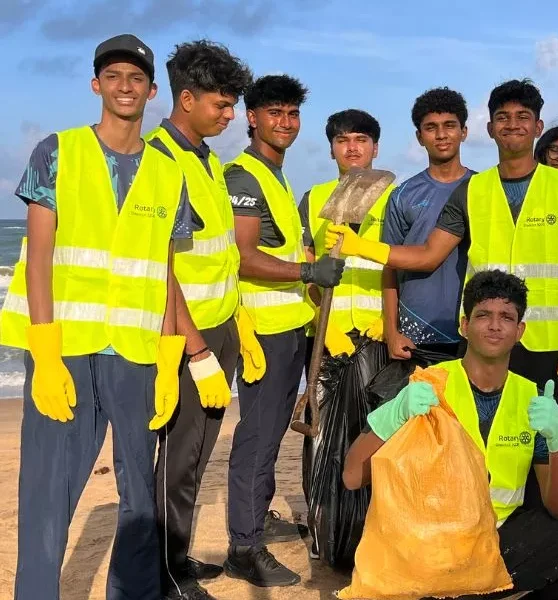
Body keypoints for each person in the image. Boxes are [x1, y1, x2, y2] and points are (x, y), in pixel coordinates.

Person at [0, 34, 196, 599]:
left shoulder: (167, 172)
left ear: (152, 91)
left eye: (136, 78)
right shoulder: (56, 152)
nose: (125, 86)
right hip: (67, 348)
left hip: (135, 355)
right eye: (113, 76)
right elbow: (39, 256)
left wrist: (168, 357)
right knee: (46, 491)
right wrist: (43, 349)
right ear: (96, 86)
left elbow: (163, 272)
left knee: (140, 497)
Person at [326, 79, 558, 407]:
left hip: (546, 344)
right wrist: (361, 247)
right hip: (484, 339)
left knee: (541, 438)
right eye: (503, 117)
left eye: (522, 116)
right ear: (489, 129)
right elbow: (429, 255)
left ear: (538, 126)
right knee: (480, 439)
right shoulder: (471, 190)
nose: (512, 124)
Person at [342, 269, 558, 600]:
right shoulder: (428, 386)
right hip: (427, 550)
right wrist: (394, 414)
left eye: (506, 317)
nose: (495, 325)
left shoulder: (532, 399)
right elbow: (353, 476)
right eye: (483, 315)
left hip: (492, 547)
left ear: (520, 330)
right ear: (464, 326)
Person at [223, 74, 344, 587]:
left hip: (291, 326)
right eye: (274, 112)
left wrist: (311, 273)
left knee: (271, 436)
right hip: (265, 333)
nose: (285, 123)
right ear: (252, 117)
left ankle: (256, 518)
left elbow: (283, 249)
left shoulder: (277, 176)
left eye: (292, 114)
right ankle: (243, 548)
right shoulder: (244, 177)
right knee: (256, 438)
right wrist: (307, 273)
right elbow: (244, 257)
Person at [144, 39, 254, 600]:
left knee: (197, 454)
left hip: (219, 330)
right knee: (179, 460)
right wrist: (196, 349)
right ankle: (166, 575)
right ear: (186, 98)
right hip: (185, 339)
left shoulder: (204, 160)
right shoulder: (162, 161)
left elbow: (217, 255)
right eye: (221, 104)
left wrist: (236, 327)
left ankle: (178, 558)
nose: (230, 115)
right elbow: (161, 266)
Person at [382, 88, 474, 361]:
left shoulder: (483, 190)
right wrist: (391, 332)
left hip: (472, 331)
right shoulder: (402, 195)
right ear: (419, 137)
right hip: (414, 334)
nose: (442, 135)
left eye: (450, 126)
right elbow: (389, 268)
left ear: (464, 131)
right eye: (431, 128)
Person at [300, 108, 395, 354]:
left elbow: (407, 266)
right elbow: (304, 267)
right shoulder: (314, 198)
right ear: (332, 150)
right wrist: (323, 323)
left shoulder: (397, 197)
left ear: (375, 148)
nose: (352, 148)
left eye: (361, 140)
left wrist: (391, 320)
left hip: (379, 331)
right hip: (328, 332)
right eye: (342, 141)